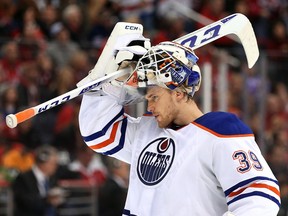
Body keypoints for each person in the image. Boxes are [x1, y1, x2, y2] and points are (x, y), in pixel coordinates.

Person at [78, 33, 281, 215]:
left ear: (178, 93)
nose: (149, 106)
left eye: (154, 97)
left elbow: (259, 196)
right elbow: (97, 132)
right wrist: (111, 82)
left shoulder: (221, 131)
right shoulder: (147, 130)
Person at [12, 145, 65, 216]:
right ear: (43, 163)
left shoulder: (53, 179)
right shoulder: (23, 178)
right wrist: (47, 200)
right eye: (53, 163)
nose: (56, 166)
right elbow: (26, 203)